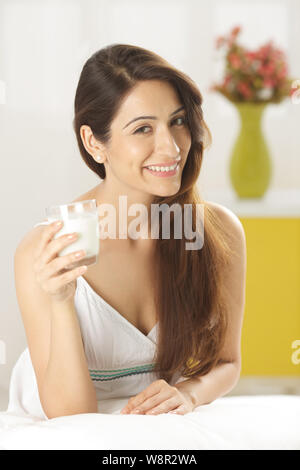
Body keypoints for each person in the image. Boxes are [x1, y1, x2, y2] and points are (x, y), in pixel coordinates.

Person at [13, 44, 246, 420]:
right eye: (142, 129)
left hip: (159, 425)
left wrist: (188, 393)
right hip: (66, 431)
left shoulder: (215, 232)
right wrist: (60, 301)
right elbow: (71, 416)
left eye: (179, 121)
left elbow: (227, 362)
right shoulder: (50, 246)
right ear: (94, 143)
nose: (171, 147)